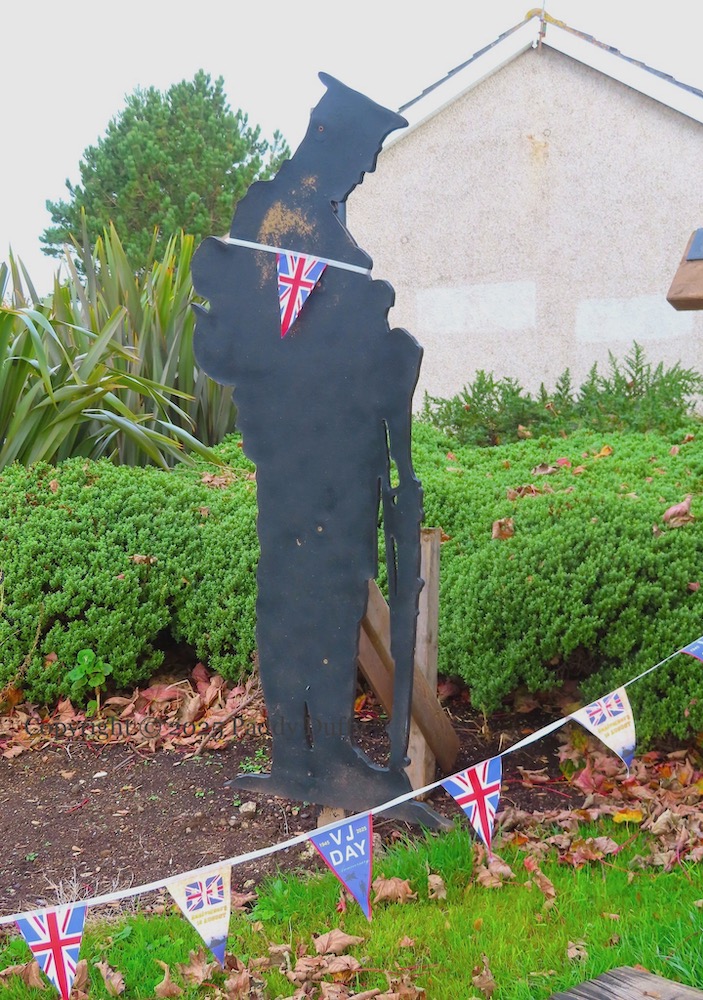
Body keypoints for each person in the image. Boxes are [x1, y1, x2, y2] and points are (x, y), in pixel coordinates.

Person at [192, 73, 426, 814]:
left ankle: (314, 752)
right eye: (363, 153)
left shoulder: (311, 223)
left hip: (334, 448)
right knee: (310, 594)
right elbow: (261, 343)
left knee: (321, 593)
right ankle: (310, 756)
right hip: (307, 453)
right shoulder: (278, 218)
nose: (368, 169)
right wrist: (376, 353)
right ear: (329, 139)